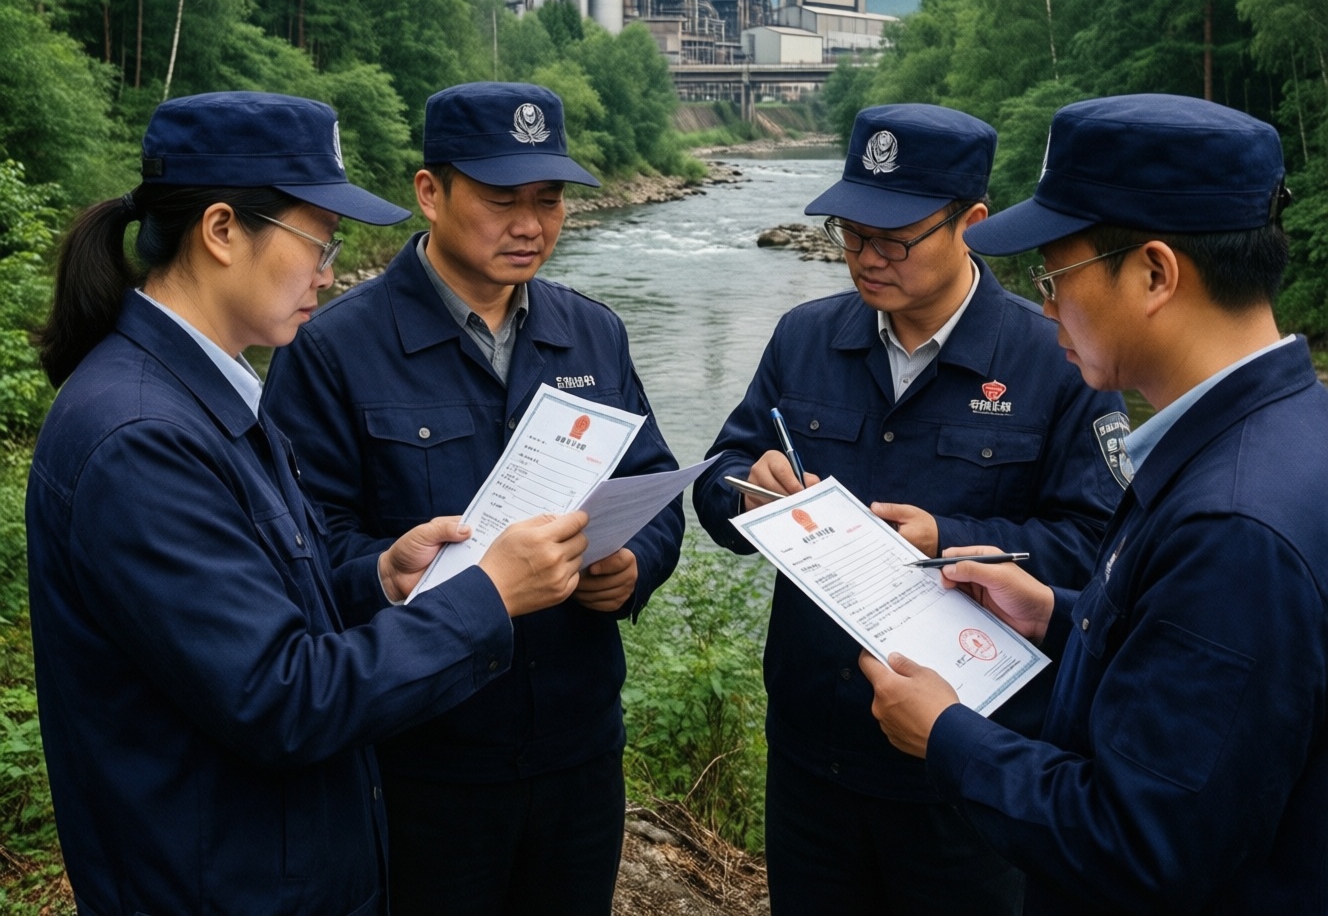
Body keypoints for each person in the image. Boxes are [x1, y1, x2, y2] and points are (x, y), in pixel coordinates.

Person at [27, 90, 591, 916]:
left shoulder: (207, 394)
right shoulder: (142, 439)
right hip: (220, 885)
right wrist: (487, 594)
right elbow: (282, 698)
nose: (328, 273)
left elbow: (261, 611)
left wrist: (380, 577)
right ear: (222, 231)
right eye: (319, 242)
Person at [860, 93, 1328, 914]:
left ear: (1154, 273)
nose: (1045, 308)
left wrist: (948, 736)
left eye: (1056, 277)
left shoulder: (1232, 527)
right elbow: (1193, 669)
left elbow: (1143, 842)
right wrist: (1058, 614)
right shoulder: (1284, 431)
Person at [692, 102, 1127, 915]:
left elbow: (1100, 549)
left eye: (894, 239)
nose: (866, 258)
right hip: (812, 761)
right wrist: (745, 489)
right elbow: (717, 478)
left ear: (971, 225)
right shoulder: (805, 338)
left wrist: (947, 538)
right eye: (851, 234)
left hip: (966, 767)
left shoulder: (1057, 359)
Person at [264, 80, 685, 916]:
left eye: (549, 199)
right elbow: (302, 550)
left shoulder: (592, 331)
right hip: (422, 761)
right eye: (502, 199)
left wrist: (634, 566)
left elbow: (656, 488)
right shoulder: (334, 348)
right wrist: (387, 569)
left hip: (577, 754)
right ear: (431, 192)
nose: (530, 225)